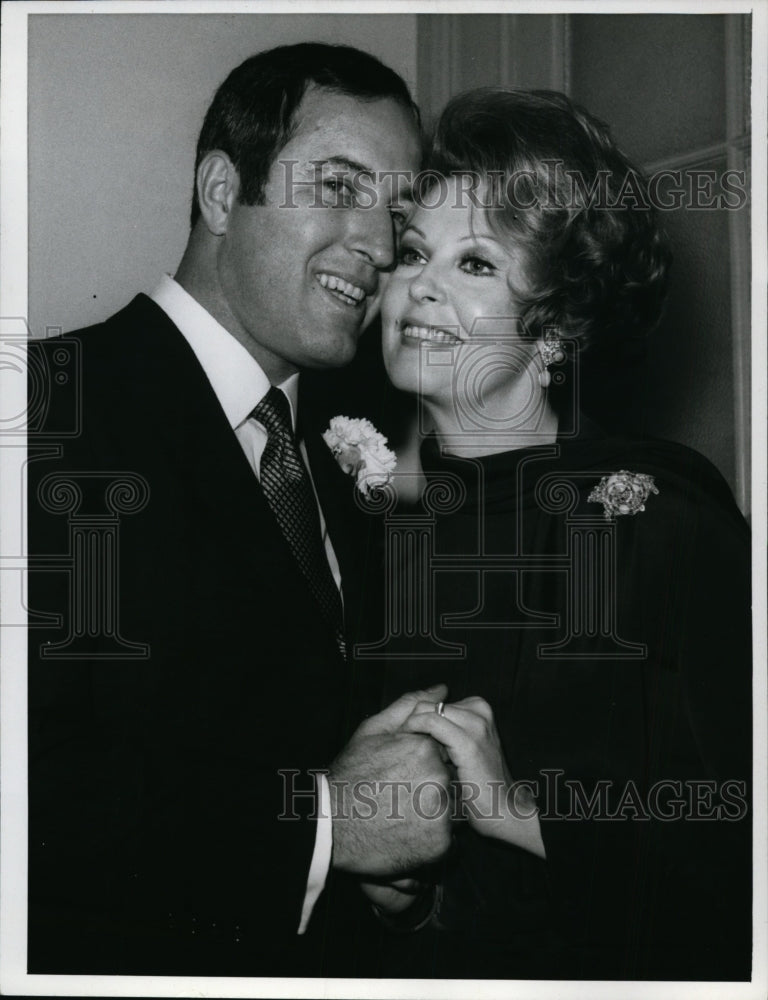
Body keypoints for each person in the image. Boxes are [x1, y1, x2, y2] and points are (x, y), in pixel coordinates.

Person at [26, 42, 454, 978]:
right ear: (223, 192)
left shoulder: (337, 463)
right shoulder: (45, 412)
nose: (381, 248)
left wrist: (376, 872)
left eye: (394, 212)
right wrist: (327, 831)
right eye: (339, 188)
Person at [370, 88, 752, 980]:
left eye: (476, 265)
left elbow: (740, 843)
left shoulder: (652, 516)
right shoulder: (385, 534)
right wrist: (405, 893)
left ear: (557, 325)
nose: (418, 282)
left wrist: (519, 812)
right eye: (415, 251)